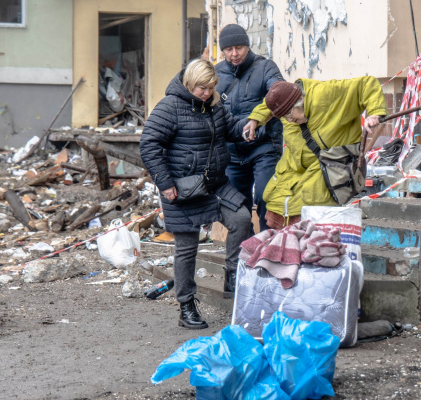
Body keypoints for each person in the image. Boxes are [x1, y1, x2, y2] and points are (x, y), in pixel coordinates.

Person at [140, 59, 252, 330]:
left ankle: (233, 275)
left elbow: (230, 128)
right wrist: (165, 184)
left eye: (211, 87)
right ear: (189, 84)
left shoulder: (213, 104)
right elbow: (148, 144)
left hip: (214, 185)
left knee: (242, 219)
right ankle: (186, 306)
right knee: (187, 249)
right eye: (202, 88)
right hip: (183, 189)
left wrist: (252, 124)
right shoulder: (170, 107)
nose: (207, 93)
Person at [244, 78, 386, 228]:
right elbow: (271, 104)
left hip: (329, 162)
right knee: (273, 198)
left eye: (290, 115)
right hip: (295, 163)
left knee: (310, 201)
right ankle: (288, 243)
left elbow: (365, 84)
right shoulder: (287, 107)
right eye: (284, 118)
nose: (289, 120)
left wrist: (375, 113)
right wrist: (255, 119)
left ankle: (308, 242)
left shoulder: (326, 93)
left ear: (299, 101)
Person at [215, 24, 284, 232]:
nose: (234, 54)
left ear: (248, 46)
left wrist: (256, 119)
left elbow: (280, 94)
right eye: (229, 50)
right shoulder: (216, 73)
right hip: (232, 153)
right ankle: (246, 252)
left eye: (239, 48)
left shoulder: (266, 68)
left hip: (263, 147)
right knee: (236, 207)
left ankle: (268, 244)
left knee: (266, 197)